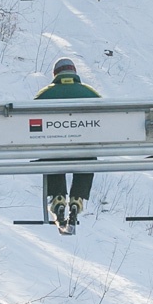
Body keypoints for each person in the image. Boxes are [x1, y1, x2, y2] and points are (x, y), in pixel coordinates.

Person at [36, 58, 99, 234]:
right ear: (75, 73)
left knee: (50, 154)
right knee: (89, 154)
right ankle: (77, 199)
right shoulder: (90, 93)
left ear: (55, 75)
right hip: (83, 152)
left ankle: (57, 198)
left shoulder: (44, 95)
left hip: (55, 152)